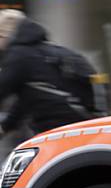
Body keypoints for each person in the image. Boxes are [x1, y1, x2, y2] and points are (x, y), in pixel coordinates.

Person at [0, 10, 102, 140]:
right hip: (80, 123)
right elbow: (27, 98)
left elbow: (2, 88)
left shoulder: (19, 55)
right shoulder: (45, 51)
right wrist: (6, 126)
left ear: (3, 35)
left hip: (59, 128)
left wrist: (6, 126)